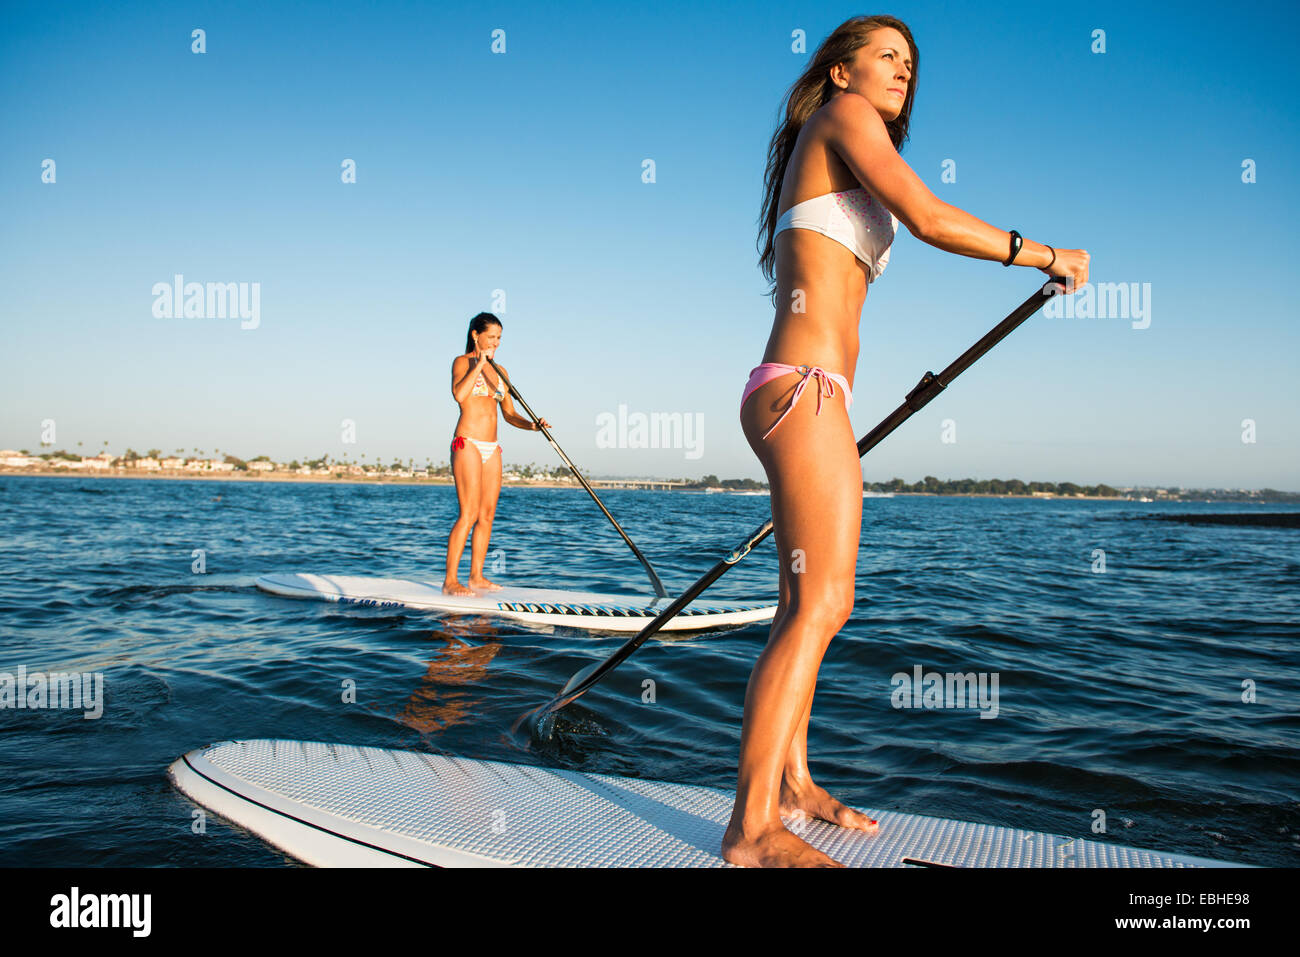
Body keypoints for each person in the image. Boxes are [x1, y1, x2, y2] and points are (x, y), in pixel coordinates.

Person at [724, 15, 1089, 867]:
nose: (901, 71)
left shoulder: (843, 140)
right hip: (802, 392)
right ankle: (749, 829)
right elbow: (925, 216)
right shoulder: (844, 121)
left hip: (816, 394)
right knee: (822, 607)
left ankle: (794, 783)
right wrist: (1042, 254)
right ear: (840, 73)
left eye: (910, 63)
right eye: (884, 55)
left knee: (804, 605)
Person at [443, 313, 550, 597]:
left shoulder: (501, 371)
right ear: (476, 335)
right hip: (468, 443)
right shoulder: (462, 362)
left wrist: (532, 425)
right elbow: (459, 395)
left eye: (499, 338)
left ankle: (476, 576)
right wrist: (479, 365)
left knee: (487, 515)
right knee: (469, 513)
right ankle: (450, 581)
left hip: (493, 448)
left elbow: (510, 414)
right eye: (491, 337)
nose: (496, 343)